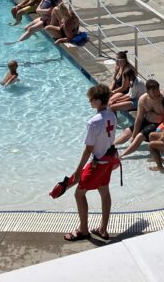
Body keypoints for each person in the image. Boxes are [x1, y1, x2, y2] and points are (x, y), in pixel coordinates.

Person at [63, 84, 120, 243]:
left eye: (91, 100)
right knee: (104, 191)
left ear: (97, 100)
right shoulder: (112, 115)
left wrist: (79, 170)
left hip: (98, 163)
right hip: (109, 160)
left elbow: (88, 150)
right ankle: (103, 228)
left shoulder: (93, 122)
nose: (89, 102)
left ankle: (83, 230)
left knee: (79, 194)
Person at [117, 79, 164, 154]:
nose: (157, 93)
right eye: (154, 92)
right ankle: (111, 146)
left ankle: (122, 155)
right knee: (127, 132)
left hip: (159, 124)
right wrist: (133, 135)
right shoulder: (143, 100)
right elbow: (139, 119)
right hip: (146, 121)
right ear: (148, 92)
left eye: (157, 90)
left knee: (139, 136)